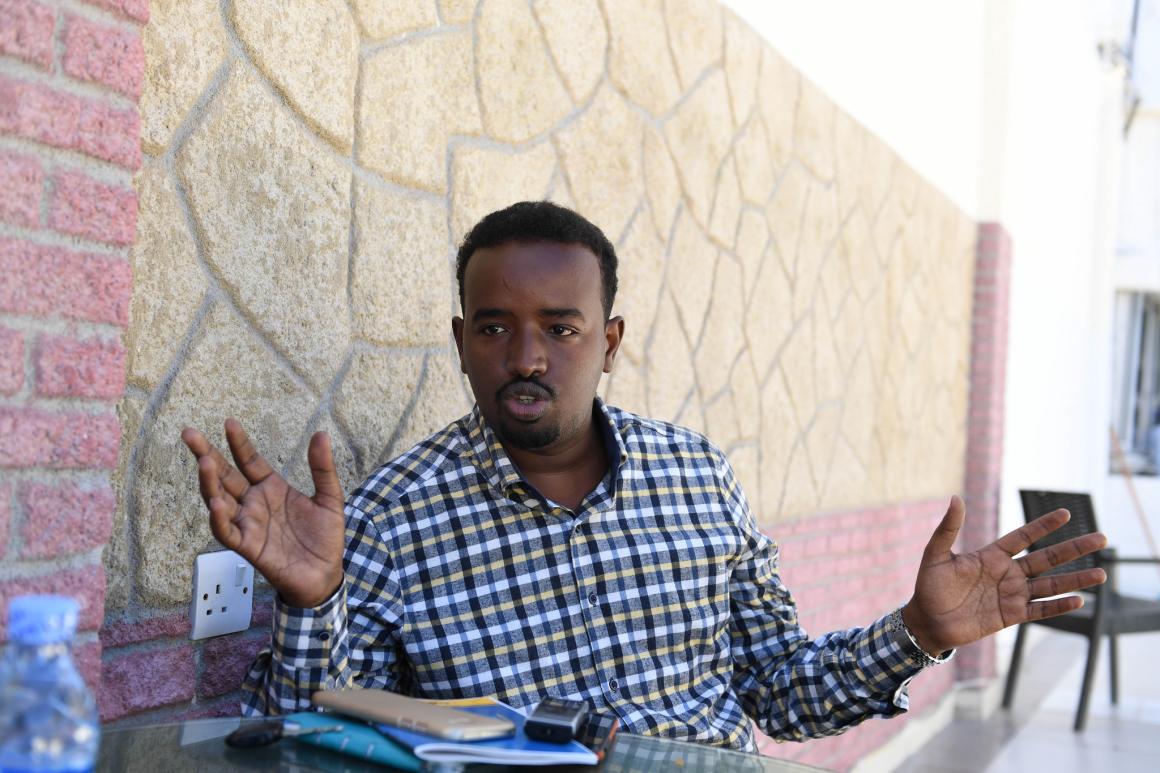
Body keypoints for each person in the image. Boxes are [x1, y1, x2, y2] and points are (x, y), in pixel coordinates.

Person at [182, 201, 1107, 750]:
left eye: (561, 327)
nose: (527, 356)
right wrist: (312, 599)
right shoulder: (393, 515)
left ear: (610, 340)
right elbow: (308, 736)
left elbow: (779, 690)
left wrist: (917, 632)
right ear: (462, 342)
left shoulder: (698, 477)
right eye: (495, 327)